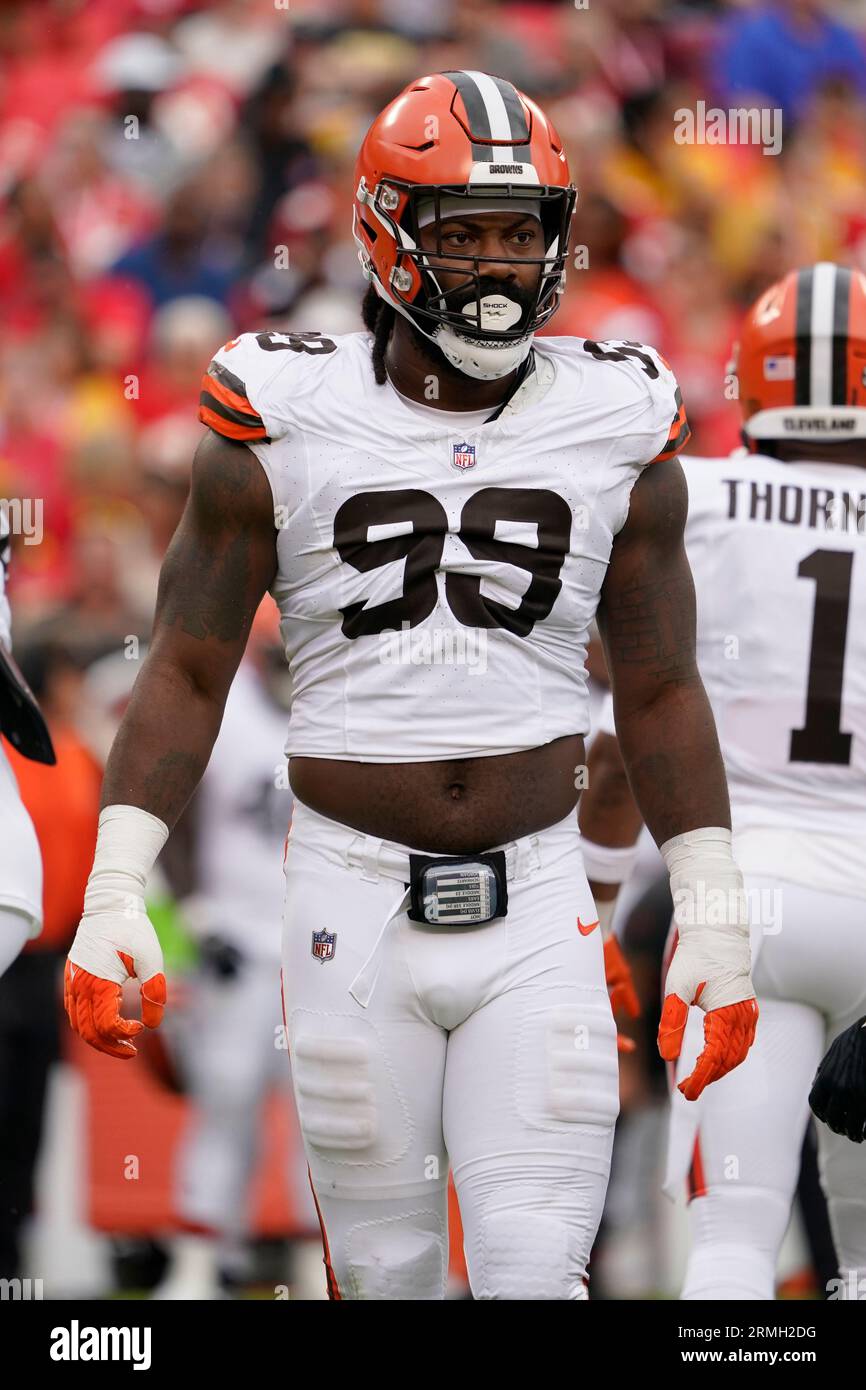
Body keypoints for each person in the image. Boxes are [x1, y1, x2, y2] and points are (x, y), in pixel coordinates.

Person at [65, 70, 756, 1301]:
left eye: (518, 230)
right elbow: (183, 662)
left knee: (534, 1276)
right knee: (381, 1282)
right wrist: (120, 882)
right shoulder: (284, 406)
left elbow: (657, 687)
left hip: (541, 894)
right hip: (348, 892)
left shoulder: (616, 410)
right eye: (463, 232)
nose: (497, 263)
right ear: (387, 231)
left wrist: (706, 900)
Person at [579, 262, 866, 1300]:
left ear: (752, 379)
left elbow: (618, 747)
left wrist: (596, 914)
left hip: (738, 904)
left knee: (734, 1241)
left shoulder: (693, 497)